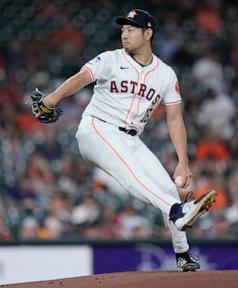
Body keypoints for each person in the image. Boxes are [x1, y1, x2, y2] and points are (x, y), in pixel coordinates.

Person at [32, 9, 216, 272]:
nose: (125, 34)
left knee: (167, 187)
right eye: (123, 29)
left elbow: (175, 119)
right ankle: (178, 211)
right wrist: (52, 98)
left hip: (131, 138)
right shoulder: (110, 59)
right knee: (132, 174)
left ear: (148, 33)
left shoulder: (165, 74)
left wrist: (183, 162)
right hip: (97, 129)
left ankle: (183, 254)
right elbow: (81, 78)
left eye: (131, 29)